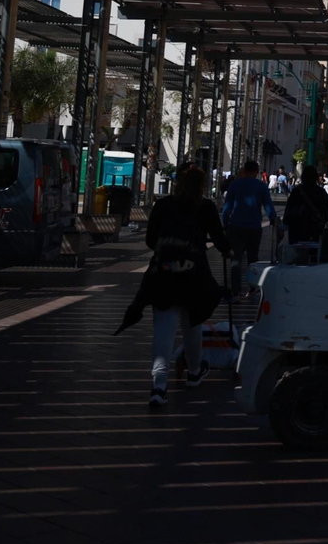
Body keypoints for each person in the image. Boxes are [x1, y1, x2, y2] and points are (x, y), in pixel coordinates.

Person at [116, 166, 230, 406]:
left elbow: (150, 240)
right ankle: (195, 371)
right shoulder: (206, 207)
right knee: (193, 324)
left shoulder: (163, 205)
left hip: (164, 274)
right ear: (202, 184)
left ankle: (159, 386)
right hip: (194, 276)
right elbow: (219, 239)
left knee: (163, 332)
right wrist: (229, 252)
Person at [221, 160, 276, 293]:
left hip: (236, 226)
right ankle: (253, 286)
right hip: (254, 227)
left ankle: (236, 290)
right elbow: (268, 205)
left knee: (236, 260)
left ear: (244, 170)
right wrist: (273, 220)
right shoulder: (262, 186)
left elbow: (227, 207)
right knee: (253, 258)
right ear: (257, 171)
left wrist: (225, 223)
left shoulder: (235, 185)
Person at [282, 166, 328, 245]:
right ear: (315, 177)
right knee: (313, 253)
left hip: (297, 227)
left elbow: (289, 209)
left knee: (297, 252)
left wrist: (285, 224)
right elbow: (326, 210)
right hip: (315, 227)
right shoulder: (321, 192)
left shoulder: (296, 191)